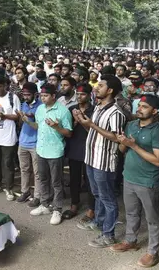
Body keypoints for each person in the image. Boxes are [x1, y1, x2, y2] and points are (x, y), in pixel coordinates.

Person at [112, 94, 159, 268]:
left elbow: (158, 160)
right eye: (139, 105)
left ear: (154, 110)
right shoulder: (131, 125)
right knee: (131, 213)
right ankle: (130, 240)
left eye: (145, 106)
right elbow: (122, 150)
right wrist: (123, 142)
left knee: (152, 218)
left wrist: (134, 146)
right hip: (129, 176)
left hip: (147, 180)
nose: (140, 109)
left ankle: (153, 252)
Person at [73, 75, 127, 248]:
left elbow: (117, 138)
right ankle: (99, 222)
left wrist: (93, 125)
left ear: (110, 90)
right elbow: (92, 132)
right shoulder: (98, 107)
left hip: (104, 163)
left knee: (108, 199)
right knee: (97, 195)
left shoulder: (116, 113)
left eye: (101, 85)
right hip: (91, 158)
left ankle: (108, 235)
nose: (96, 88)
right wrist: (82, 122)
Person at [29, 83, 73, 225]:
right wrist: (26, 121)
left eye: (46, 95)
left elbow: (69, 132)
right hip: (41, 149)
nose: (43, 98)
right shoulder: (40, 109)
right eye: (41, 95)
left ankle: (57, 209)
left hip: (55, 151)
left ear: (54, 96)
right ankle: (45, 204)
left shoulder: (63, 111)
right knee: (42, 179)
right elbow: (38, 126)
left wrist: (56, 127)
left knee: (56, 182)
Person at [0, 74, 21, 201]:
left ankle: (9, 187)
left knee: (7, 164)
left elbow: (18, 116)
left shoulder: (13, 97)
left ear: (5, 85)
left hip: (8, 137)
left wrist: (4, 116)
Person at [65, 83, 96, 222]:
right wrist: (75, 122)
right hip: (74, 148)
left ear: (89, 95)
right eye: (77, 94)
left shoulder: (95, 111)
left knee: (90, 181)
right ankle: (74, 204)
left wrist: (82, 120)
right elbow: (68, 131)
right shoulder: (71, 109)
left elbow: (94, 132)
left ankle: (91, 209)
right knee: (74, 179)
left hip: (89, 149)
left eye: (82, 94)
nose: (79, 97)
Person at [17, 82, 42, 205]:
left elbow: (39, 125)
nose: (25, 97)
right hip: (23, 141)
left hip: (35, 143)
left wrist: (28, 117)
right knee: (24, 169)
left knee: (37, 172)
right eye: (24, 94)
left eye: (28, 95)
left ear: (35, 94)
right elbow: (22, 121)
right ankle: (25, 191)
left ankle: (37, 196)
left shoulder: (41, 106)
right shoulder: (23, 104)